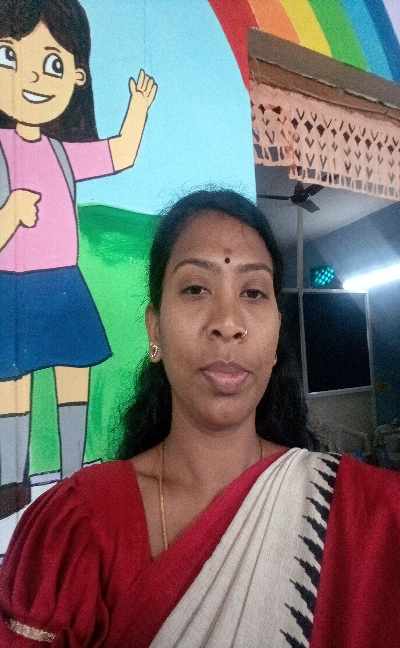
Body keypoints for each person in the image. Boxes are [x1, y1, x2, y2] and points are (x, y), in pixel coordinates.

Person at [0, 189, 399, 647]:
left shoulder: (371, 518)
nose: (227, 322)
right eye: (195, 288)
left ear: (276, 336)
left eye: (253, 292)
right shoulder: (76, 528)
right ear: (155, 328)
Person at [0, 0, 157, 517]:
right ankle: (11, 483)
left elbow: (120, 154)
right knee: (13, 384)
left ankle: (73, 476)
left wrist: (139, 107)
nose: (32, 77)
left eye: (52, 63)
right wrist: (10, 214)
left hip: (64, 284)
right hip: (12, 286)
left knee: (75, 372)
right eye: (9, 56)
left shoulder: (61, 151)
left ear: (77, 75)